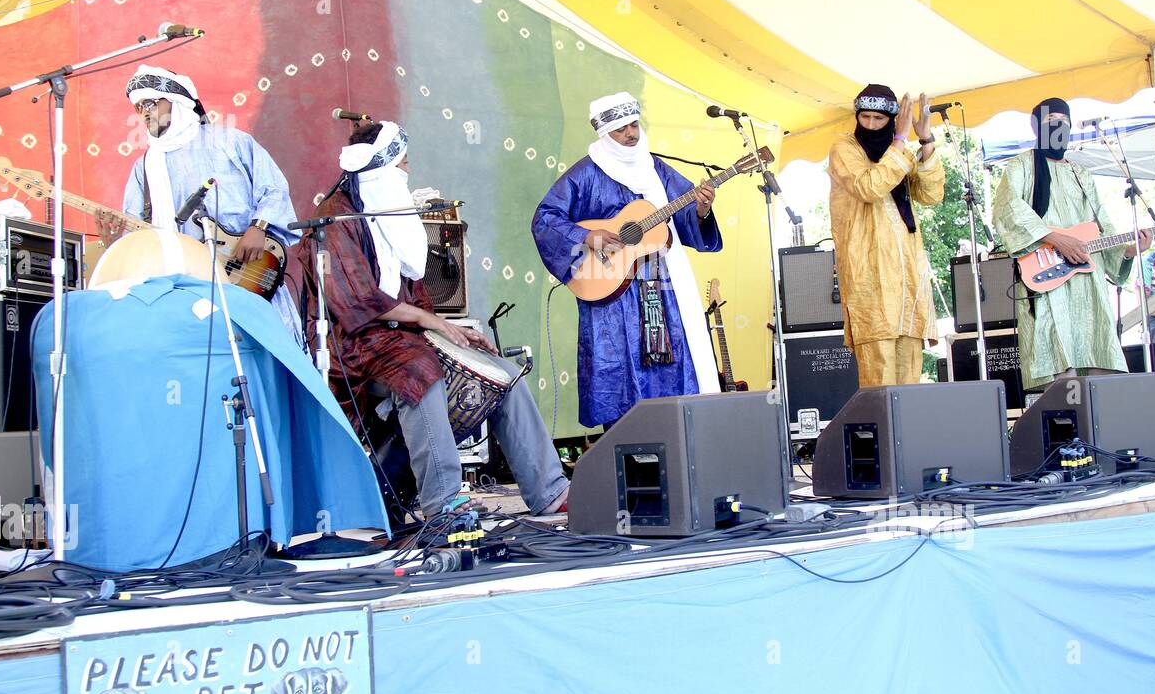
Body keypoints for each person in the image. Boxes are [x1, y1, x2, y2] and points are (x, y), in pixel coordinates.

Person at [296, 121, 569, 518]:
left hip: (401, 338)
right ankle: (444, 503)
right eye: (403, 163)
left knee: (504, 376)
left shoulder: (389, 212)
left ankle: (550, 492)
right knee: (421, 374)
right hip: (355, 346)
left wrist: (453, 332)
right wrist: (438, 325)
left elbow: (414, 293)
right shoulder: (336, 220)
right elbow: (360, 304)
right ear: (383, 168)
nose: (407, 172)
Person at [532, 92, 722, 429]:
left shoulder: (656, 168)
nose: (631, 134)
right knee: (617, 371)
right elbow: (545, 219)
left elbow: (687, 214)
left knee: (670, 367)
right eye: (621, 129)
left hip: (662, 290)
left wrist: (703, 209)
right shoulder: (585, 174)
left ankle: (676, 451)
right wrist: (587, 236)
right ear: (606, 134)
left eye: (634, 124)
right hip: (611, 295)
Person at [96, 65, 303, 342]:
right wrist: (116, 243)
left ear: (178, 101)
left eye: (151, 102)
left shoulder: (230, 141)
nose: (144, 112)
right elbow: (139, 233)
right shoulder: (144, 166)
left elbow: (273, 187)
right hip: (185, 288)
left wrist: (259, 227)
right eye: (138, 107)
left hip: (244, 272)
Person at [993, 97, 1153, 389]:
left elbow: (1101, 226)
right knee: (1058, 363)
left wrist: (1129, 251)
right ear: (1036, 128)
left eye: (1064, 122)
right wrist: (1054, 238)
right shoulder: (1021, 166)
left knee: (1098, 353)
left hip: (1085, 280)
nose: (1059, 127)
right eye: (1051, 122)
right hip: (1044, 274)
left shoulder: (1081, 175)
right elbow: (1006, 209)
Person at [828, 85, 944, 387]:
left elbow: (931, 195)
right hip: (871, 283)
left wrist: (925, 140)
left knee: (910, 388)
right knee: (880, 389)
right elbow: (869, 187)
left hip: (908, 282)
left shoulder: (900, 153)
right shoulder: (844, 148)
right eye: (864, 117)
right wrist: (900, 141)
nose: (869, 125)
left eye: (878, 119)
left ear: (891, 120)